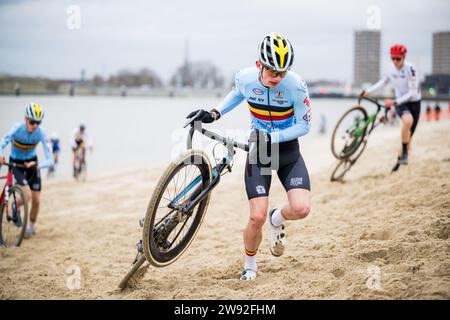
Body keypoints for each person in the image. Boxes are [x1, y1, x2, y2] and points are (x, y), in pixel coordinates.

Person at [186, 32, 312, 280]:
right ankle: (250, 266)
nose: (278, 77)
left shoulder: (296, 85)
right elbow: (236, 94)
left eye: (282, 72)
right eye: (273, 71)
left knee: (302, 209)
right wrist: (214, 113)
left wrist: (272, 138)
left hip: (287, 151)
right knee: (256, 216)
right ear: (259, 65)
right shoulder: (245, 78)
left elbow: (304, 125)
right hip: (260, 152)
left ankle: (277, 218)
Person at [361, 44, 421, 168]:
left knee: (409, 135)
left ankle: (399, 161)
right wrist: (368, 91)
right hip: (400, 102)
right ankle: (404, 154)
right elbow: (383, 82)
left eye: (398, 58)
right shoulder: (391, 69)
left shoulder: (410, 69)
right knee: (408, 121)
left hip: (414, 102)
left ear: (404, 57)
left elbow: (412, 93)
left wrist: (394, 102)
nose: (395, 61)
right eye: (392, 58)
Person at [0, 102, 54, 238]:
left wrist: (36, 165)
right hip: (16, 163)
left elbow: (50, 159)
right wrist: (1, 154)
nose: (35, 125)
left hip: (32, 163)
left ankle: (31, 225)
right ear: (25, 119)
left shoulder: (41, 133)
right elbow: (2, 142)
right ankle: (15, 206)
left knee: (36, 200)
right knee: (27, 195)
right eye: (32, 122)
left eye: (38, 122)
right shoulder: (17, 129)